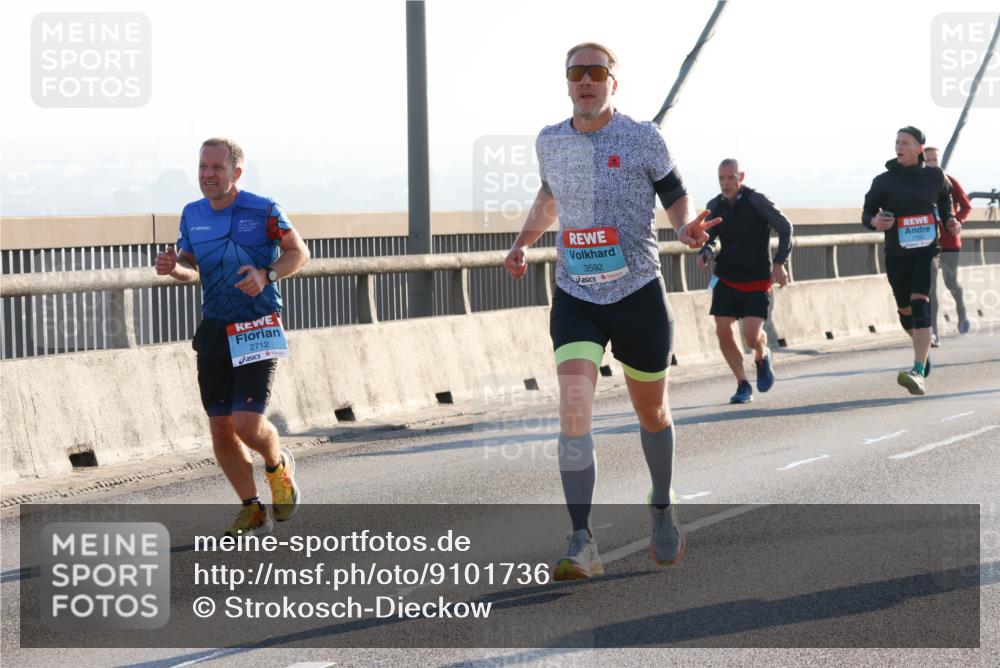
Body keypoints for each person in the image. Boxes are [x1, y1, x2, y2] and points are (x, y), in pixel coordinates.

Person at [503, 42, 720, 579]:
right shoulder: (551, 141)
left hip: (637, 291)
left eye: (597, 72)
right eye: (577, 72)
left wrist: (685, 228)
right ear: (568, 82)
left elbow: (675, 196)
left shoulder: (643, 137)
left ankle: (662, 505)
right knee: (574, 410)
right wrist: (523, 242)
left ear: (613, 84)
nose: (586, 81)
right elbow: (549, 199)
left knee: (652, 413)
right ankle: (581, 539)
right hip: (576, 293)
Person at [155, 138, 310, 536]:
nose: (208, 174)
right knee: (221, 427)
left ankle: (277, 467)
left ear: (235, 172)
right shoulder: (192, 214)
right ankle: (251, 507)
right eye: (203, 167)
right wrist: (175, 267)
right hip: (214, 329)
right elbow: (192, 269)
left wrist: (267, 274)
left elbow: (299, 253)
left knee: (245, 422)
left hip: (256, 325)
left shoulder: (263, 209)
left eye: (217, 168)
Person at [862, 126, 957, 396]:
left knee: (920, 302)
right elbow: (867, 212)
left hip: (926, 251)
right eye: (897, 142)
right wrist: (874, 221)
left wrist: (949, 219)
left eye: (905, 142)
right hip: (896, 254)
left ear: (919, 149)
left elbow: (945, 196)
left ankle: (917, 371)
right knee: (906, 312)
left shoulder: (935, 176)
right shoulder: (884, 181)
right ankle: (923, 354)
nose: (898, 147)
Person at [698, 159, 792, 404]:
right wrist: (706, 252)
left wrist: (779, 263)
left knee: (751, 336)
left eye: (731, 178)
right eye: (722, 178)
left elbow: (786, 228)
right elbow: (712, 238)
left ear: (741, 176)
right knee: (723, 333)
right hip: (726, 278)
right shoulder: (714, 206)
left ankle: (762, 355)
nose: (726, 183)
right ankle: (742, 383)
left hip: (757, 280)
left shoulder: (757, 201)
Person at [924, 146, 972, 345]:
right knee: (930, 289)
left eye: (935, 159)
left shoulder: (948, 180)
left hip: (950, 241)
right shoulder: (918, 184)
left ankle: (961, 312)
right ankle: (933, 333)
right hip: (928, 242)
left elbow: (967, 205)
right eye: (928, 160)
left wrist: (955, 221)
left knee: (951, 282)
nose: (932, 163)